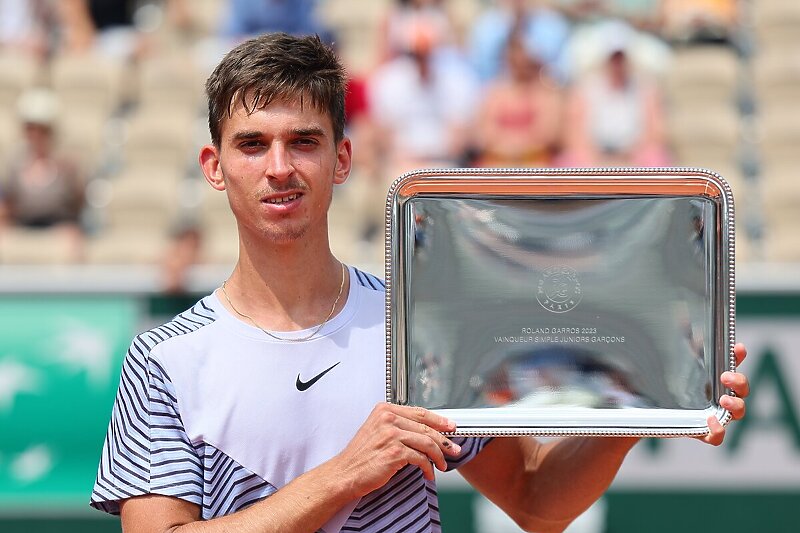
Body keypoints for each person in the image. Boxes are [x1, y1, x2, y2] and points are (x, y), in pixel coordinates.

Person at [89, 33, 750, 532]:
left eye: (305, 141)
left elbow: (536, 499)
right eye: (253, 143)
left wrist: (645, 397)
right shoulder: (165, 359)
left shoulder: (417, 326)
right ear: (214, 165)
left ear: (343, 157)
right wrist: (346, 475)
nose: (280, 166)